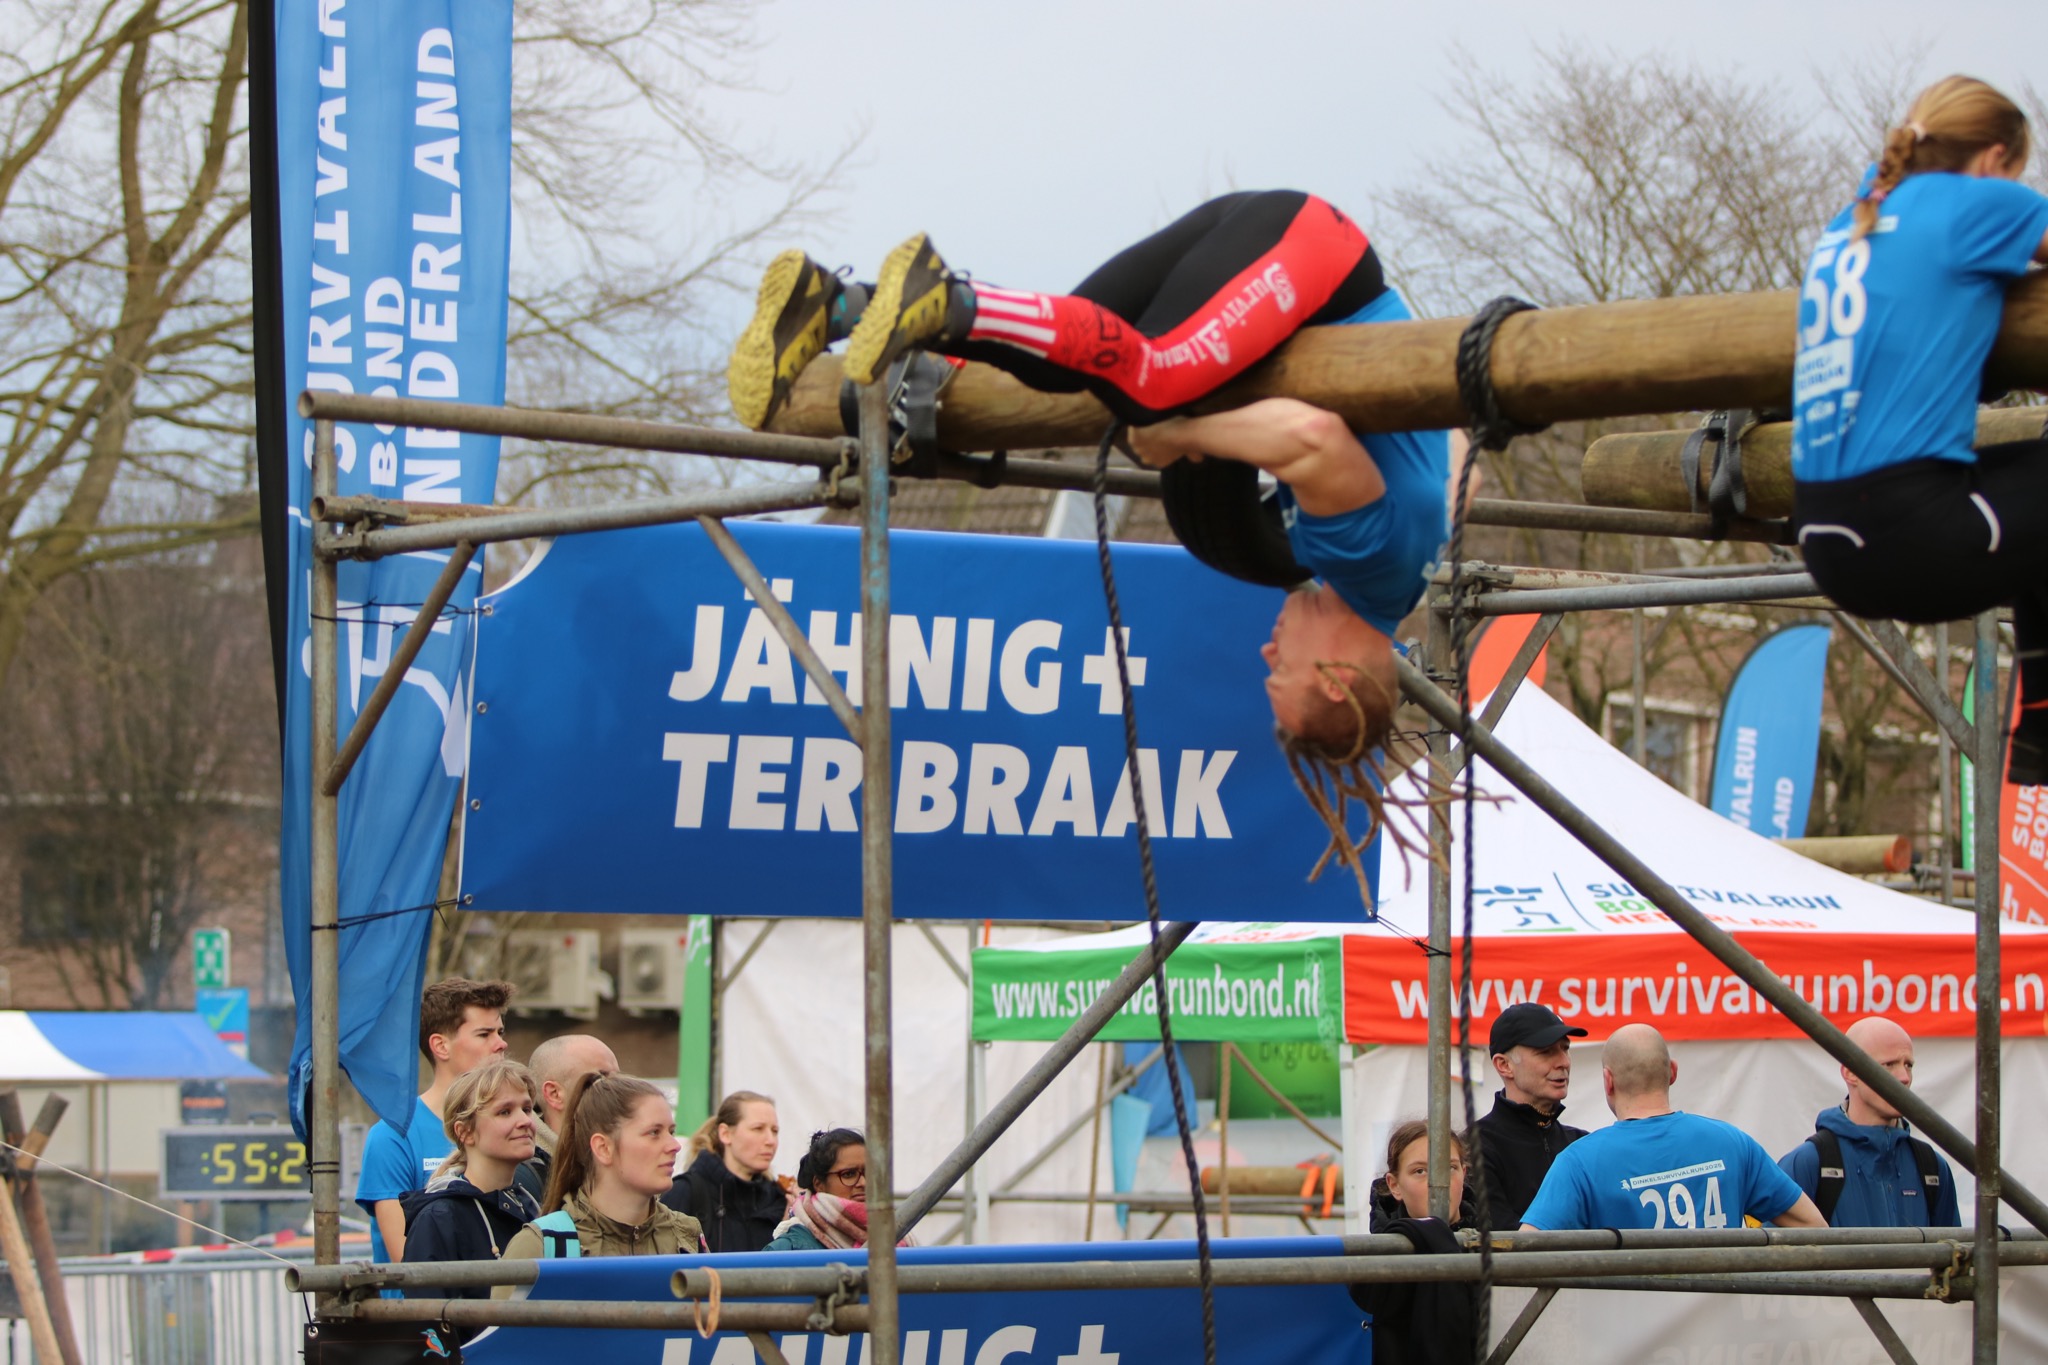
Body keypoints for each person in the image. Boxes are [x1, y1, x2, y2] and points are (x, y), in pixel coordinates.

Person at [728, 192, 1461, 885]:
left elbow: (1460, 463)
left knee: (1074, 359)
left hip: (1289, 248)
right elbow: (1313, 436)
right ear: (1334, 676)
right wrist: (1180, 436)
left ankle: (834, 305)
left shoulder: (1392, 581)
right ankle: (943, 296)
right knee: (1155, 388)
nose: (1267, 652)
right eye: (1280, 672)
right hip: (1316, 259)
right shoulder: (1367, 561)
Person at [1789, 77, 2048, 783]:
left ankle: (2042, 729)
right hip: (1909, 534)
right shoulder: (1974, 201)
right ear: (1995, 158)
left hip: (1826, 541)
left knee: (2032, 484)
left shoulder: (1854, 220)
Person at [1519, 1024, 1825, 1232]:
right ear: (1673, 1072)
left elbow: (1528, 1257)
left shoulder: (1579, 1163)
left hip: (1627, 1312)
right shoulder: (1733, 1144)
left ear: (1608, 1081)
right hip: (1723, 1310)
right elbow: (1814, 1227)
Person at [354, 977, 513, 1266]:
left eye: (500, 1032)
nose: (500, 1044)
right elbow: (410, 1263)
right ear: (440, 1046)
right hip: (433, 1294)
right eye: (484, 1034)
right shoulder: (393, 1136)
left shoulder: (517, 1128)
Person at [494, 1073, 701, 1284]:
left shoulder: (686, 1235)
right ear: (603, 1148)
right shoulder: (541, 1245)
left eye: (671, 1132)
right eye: (654, 1132)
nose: (674, 1145)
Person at [1777, 1016, 1959, 1227]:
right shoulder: (1808, 1163)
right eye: (1889, 1064)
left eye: (1908, 1065)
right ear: (1850, 1073)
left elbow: (1954, 1247)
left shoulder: (1932, 1168)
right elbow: (1775, 1245)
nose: (1904, 1077)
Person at [399, 1060, 542, 1301]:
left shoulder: (532, 1205)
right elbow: (428, 1317)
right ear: (465, 1132)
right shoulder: (439, 1218)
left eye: (527, 1109)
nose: (525, 1121)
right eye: (505, 1112)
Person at [1346, 1119, 1479, 1365]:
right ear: (1394, 1185)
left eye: (1450, 1167)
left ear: (1464, 1173)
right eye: (1420, 1171)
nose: (1438, 1183)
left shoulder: (1493, 1246)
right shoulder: (1374, 1269)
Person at [1474, 1002, 1588, 1228]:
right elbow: (1502, 1239)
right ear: (1504, 1065)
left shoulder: (1582, 1143)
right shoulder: (1474, 1147)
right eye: (1546, 1052)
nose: (1564, 1062)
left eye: (1565, 1048)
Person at [660, 1089, 786, 1252]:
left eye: (775, 1131)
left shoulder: (781, 1199)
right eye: (758, 1129)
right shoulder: (685, 1192)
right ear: (725, 1134)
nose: (770, 1141)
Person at [517, 1033, 620, 1203]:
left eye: (618, 1079)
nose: (618, 1090)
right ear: (554, 1094)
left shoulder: (625, 1161)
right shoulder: (522, 1177)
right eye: (601, 1078)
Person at [764, 1128, 886, 1252]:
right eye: (849, 1174)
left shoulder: (895, 1236)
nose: (863, 1183)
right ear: (819, 1184)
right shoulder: (786, 1249)